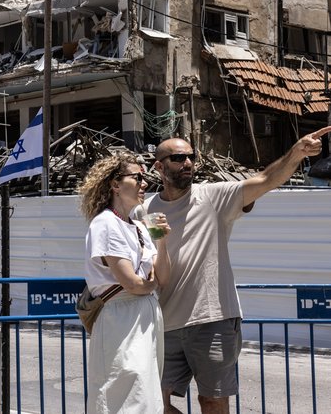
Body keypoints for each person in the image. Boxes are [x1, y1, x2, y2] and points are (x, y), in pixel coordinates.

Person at [145, 128, 331, 414]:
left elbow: (265, 180)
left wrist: (296, 154)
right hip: (163, 323)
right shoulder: (145, 209)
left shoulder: (212, 196)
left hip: (213, 319)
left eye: (191, 156)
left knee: (212, 401)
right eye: (178, 158)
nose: (188, 163)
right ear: (159, 166)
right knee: (153, 402)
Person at [80, 152, 171, 413]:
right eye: (138, 177)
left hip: (144, 315)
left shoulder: (139, 226)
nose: (145, 183)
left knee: (145, 394)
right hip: (121, 316)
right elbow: (132, 283)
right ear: (115, 184)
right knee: (124, 392)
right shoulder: (106, 223)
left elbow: (163, 277)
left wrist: (162, 241)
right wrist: (149, 285)